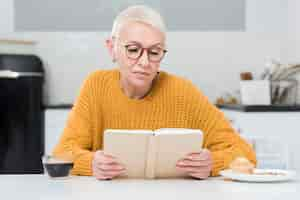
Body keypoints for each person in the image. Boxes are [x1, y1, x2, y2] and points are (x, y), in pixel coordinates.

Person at [53, 5, 256, 180]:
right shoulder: (96, 85)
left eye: (154, 52)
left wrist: (213, 163)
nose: (144, 62)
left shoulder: (183, 92)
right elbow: (62, 153)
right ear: (112, 48)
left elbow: (245, 153)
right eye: (133, 50)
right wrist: (92, 164)